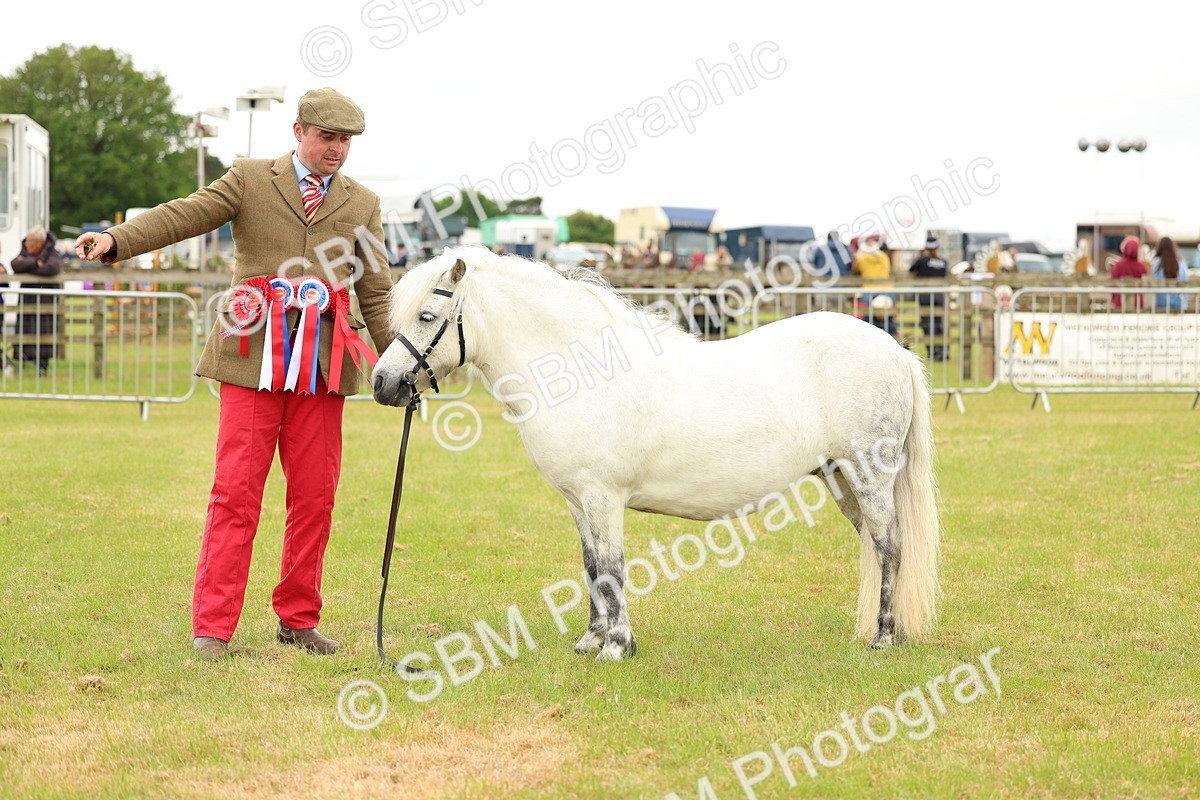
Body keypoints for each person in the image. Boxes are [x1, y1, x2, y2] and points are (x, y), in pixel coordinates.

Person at [75, 87, 394, 662]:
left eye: (346, 141)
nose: (337, 151)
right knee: (235, 495)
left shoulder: (363, 203)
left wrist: (397, 363)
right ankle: (213, 628)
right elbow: (184, 215)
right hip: (249, 359)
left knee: (316, 497)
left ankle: (298, 619)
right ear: (298, 131)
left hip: (323, 369)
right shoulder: (249, 178)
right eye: (328, 138)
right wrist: (118, 239)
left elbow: (375, 288)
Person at [9, 225, 63, 375]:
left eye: (31, 243)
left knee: (44, 332)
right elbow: (15, 264)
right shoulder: (25, 250)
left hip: (46, 301)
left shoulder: (52, 252)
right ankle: (23, 363)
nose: (27, 245)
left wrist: (27, 265)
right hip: (27, 299)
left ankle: (42, 367)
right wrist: (36, 263)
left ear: (39, 243)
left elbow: (52, 268)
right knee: (25, 330)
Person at [910, 234, 949, 361]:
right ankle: (942, 351)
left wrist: (921, 254)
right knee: (938, 324)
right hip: (939, 296)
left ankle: (932, 352)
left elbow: (912, 270)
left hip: (925, 296)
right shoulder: (943, 262)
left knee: (927, 324)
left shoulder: (922, 260)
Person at [1150, 236, 1189, 310]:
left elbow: (1153, 279)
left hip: (1160, 302)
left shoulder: (1156, 262)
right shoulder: (1181, 262)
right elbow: (1185, 281)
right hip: (1178, 303)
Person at [1110, 236, 1147, 309]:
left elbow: (1113, 283)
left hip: (1120, 300)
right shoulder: (1141, 266)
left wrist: (1113, 299)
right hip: (1137, 301)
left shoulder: (1118, 265)